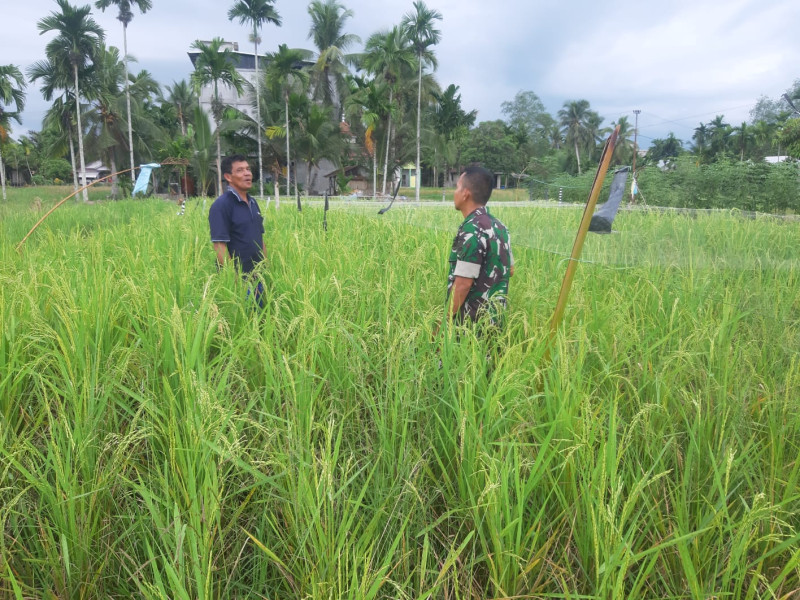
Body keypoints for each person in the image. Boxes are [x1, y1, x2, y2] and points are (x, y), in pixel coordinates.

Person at [445, 165, 514, 330]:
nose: (454, 192)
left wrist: (443, 323)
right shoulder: (500, 227)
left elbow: (463, 284)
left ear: (465, 193)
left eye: (457, 187)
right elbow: (509, 270)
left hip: (470, 328)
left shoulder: (471, 230)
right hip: (494, 323)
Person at [209, 155, 266, 303]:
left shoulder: (253, 203)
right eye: (240, 170)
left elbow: (260, 237)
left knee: (261, 320)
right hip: (239, 281)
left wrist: (266, 270)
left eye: (248, 169)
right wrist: (234, 281)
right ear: (228, 176)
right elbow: (219, 246)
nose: (247, 173)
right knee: (244, 322)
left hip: (258, 277)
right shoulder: (222, 205)